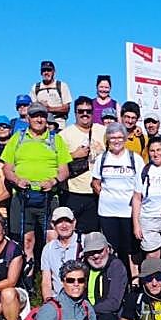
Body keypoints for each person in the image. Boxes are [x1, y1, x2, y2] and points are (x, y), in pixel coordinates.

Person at [1, 103, 72, 276]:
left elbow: (64, 171)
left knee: (52, 239)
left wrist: (53, 181)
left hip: (49, 195)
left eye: (42, 116)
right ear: (28, 118)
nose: (39, 119)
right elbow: (7, 168)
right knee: (27, 240)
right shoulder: (17, 138)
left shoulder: (56, 139)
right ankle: (28, 280)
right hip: (23, 195)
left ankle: (55, 278)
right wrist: (17, 180)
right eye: (34, 116)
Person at [92, 122, 142, 271]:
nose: (116, 141)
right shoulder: (102, 158)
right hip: (107, 212)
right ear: (108, 139)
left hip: (129, 212)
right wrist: (106, 195)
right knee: (112, 248)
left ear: (125, 138)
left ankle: (134, 280)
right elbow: (95, 182)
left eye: (120, 137)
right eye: (112, 137)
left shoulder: (135, 159)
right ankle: (114, 277)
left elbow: (140, 187)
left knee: (131, 249)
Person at [57, 95, 106, 233]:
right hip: (73, 192)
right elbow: (56, 162)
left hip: (96, 192)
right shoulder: (64, 135)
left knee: (93, 234)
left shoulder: (102, 131)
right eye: (81, 111)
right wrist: (74, 155)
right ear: (75, 113)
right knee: (71, 234)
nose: (85, 114)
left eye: (88, 111)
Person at [132, 135, 161, 264]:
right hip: (148, 219)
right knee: (152, 255)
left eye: (159, 150)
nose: (155, 154)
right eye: (152, 151)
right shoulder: (144, 170)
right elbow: (137, 198)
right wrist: (136, 224)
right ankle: (153, 276)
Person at [40, 206, 83, 300]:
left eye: (67, 221)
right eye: (59, 222)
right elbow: (46, 282)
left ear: (74, 223)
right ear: (53, 225)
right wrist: (48, 302)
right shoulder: (48, 248)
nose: (64, 226)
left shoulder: (84, 243)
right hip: (57, 300)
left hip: (81, 299)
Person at [30, 60, 72, 129]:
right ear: (41, 73)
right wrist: (40, 106)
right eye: (44, 70)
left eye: (49, 70)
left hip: (59, 123)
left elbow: (66, 108)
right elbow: (32, 107)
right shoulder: (35, 87)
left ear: (54, 72)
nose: (46, 72)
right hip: (41, 124)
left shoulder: (62, 85)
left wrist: (49, 109)